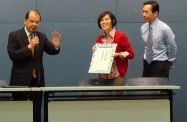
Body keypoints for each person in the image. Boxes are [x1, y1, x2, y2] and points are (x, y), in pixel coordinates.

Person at [7, 9, 61, 122]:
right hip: (20, 82)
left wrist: (55, 46)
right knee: (19, 115)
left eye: (37, 22)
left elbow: (51, 50)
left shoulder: (41, 36)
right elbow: (13, 55)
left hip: (37, 82)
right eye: (32, 21)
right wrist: (29, 47)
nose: (34, 24)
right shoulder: (14, 35)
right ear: (25, 21)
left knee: (36, 115)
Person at [92, 11, 134, 86]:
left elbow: (131, 54)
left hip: (117, 75)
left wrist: (118, 54)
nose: (103, 22)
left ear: (113, 21)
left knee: (117, 97)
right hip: (102, 76)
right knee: (103, 97)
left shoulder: (121, 36)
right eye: (101, 20)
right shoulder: (99, 38)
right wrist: (95, 51)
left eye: (106, 19)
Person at [141, 1, 177, 78]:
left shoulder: (165, 29)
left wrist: (170, 62)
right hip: (146, 63)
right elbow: (147, 46)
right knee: (146, 88)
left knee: (160, 89)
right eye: (143, 11)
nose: (143, 14)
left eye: (146, 12)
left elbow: (172, 46)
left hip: (160, 64)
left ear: (155, 13)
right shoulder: (143, 28)